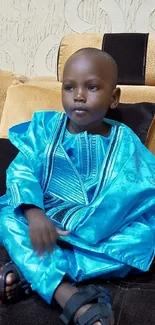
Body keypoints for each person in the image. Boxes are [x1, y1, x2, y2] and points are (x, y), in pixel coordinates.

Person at [0, 47, 155, 325]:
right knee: (8, 218)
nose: (79, 96)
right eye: (69, 87)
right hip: (43, 221)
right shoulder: (45, 129)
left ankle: (33, 272)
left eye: (92, 87)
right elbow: (21, 171)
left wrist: (87, 222)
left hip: (100, 226)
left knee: (144, 240)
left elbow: (140, 186)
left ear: (114, 97)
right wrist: (35, 215)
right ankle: (68, 296)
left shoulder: (124, 140)